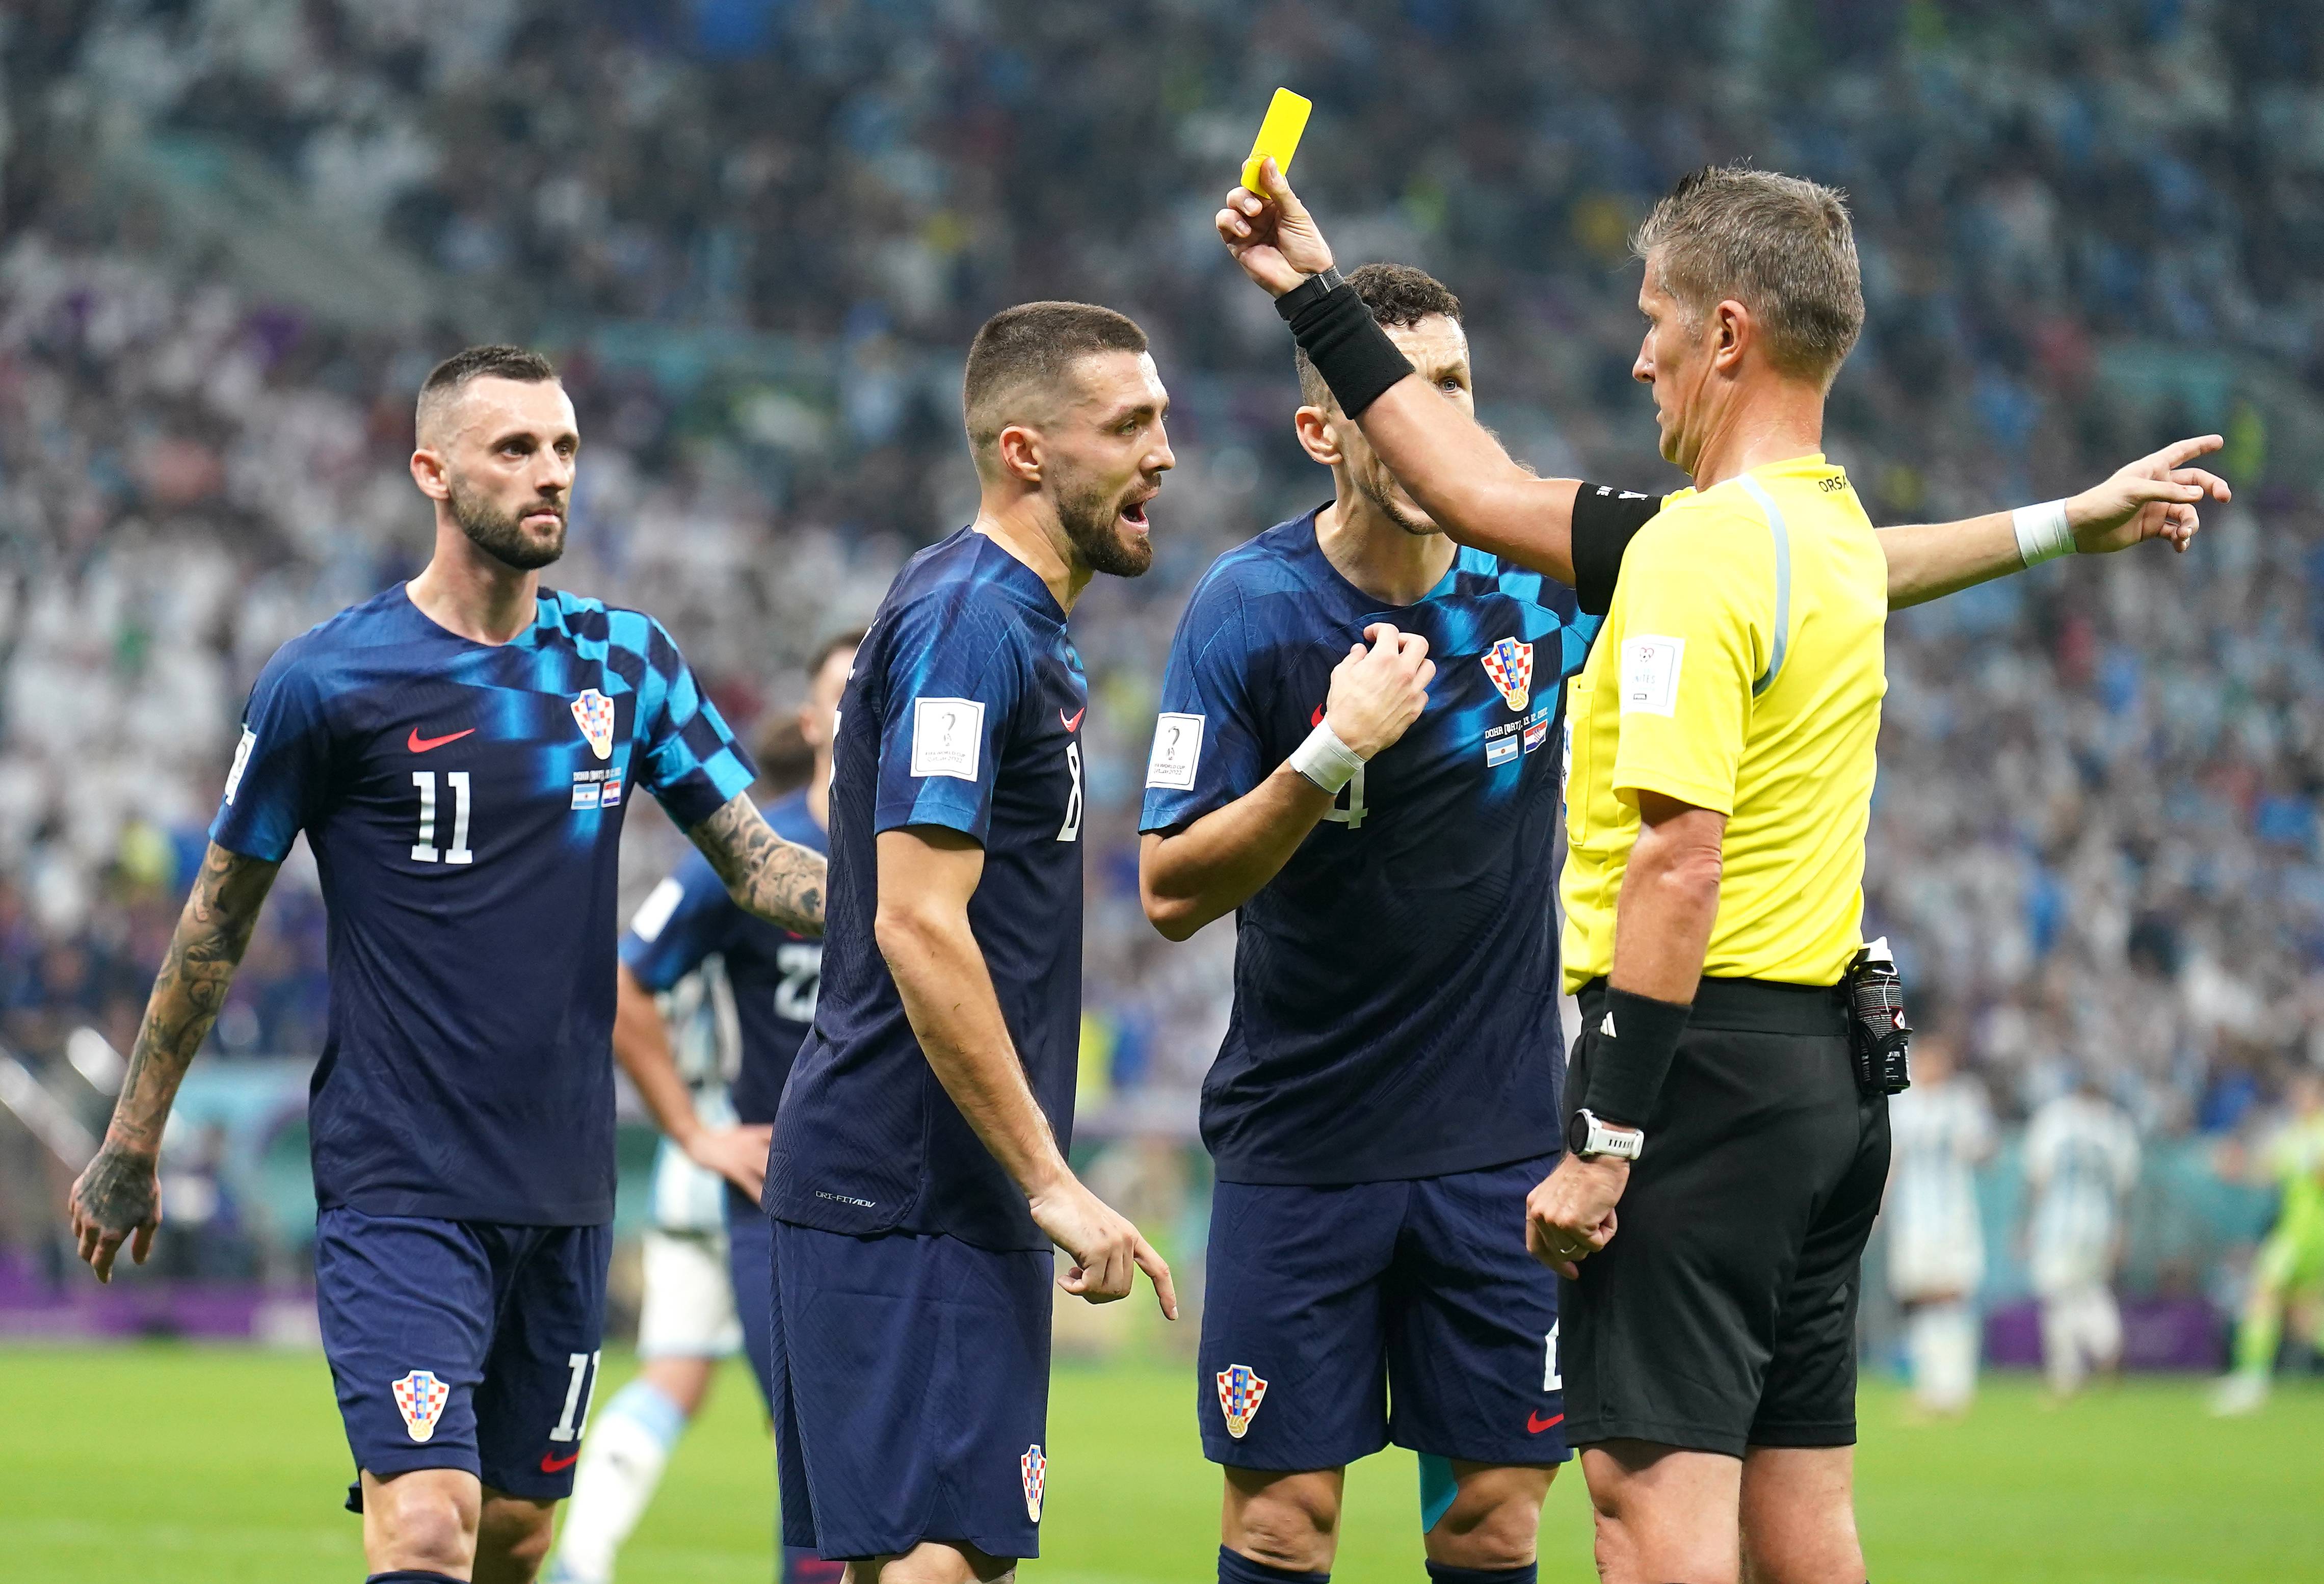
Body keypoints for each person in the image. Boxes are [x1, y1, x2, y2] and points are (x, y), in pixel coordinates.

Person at [1212, 162, 2227, 1584]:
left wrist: (1608, 1139)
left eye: (1658, 322)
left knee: (1648, 1518)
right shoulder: (1820, 531)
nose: (1639, 356)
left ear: (1730, 337)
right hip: (1829, 1079)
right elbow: (1470, 481)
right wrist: (2069, 520)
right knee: (1803, 1528)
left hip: (1697, 1081)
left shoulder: (1696, 551)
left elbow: (1679, 862)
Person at [65, 345, 828, 1584]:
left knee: (519, 1536)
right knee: (426, 1524)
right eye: (515, 449)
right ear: (432, 470)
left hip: (565, 1186)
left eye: (566, 449)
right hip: (399, 1180)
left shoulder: (624, 664)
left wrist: (905, 908)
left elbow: (756, 863)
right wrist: (134, 1138)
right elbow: (216, 920)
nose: (551, 476)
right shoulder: (329, 681)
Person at [763, 302, 1178, 1584]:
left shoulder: (1027, 629)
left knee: (956, 1561)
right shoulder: (970, 621)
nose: (1163, 453)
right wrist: (1051, 1177)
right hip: (902, 1185)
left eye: (1160, 418)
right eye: (1128, 424)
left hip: (956, 1185)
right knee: (938, 1563)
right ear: (1024, 452)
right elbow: (914, 919)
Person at [546, 633, 860, 1584]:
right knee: (826, 1446)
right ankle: (580, 1560)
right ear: (811, 722)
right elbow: (626, 981)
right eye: (842, 691)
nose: (859, 706)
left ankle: (583, 1559)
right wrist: (693, 1129)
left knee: (870, 1459)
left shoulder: (931, 849)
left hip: (899, 1186)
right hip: (776, 1188)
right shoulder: (757, 850)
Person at [1881, 1027, 1995, 1418]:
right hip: (1913, 1219)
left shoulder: (1964, 1101)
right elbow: (1890, 1162)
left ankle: (1957, 1387)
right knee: (1920, 1298)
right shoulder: (1902, 1104)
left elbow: (1984, 1152)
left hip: (1954, 1217)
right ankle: (1932, 1388)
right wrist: (1879, 1207)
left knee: (1953, 1295)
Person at [2023, 1068, 2142, 1401]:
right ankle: (2107, 1343)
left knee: (2058, 1298)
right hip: (2098, 1226)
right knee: (2090, 1291)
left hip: (2058, 1225)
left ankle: (2068, 1374)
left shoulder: (2054, 1119)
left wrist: (2028, 1225)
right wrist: (2120, 1233)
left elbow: (2039, 1178)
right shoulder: (2117, 1126)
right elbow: (2124, 1190)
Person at [2213, 1065, 2324, 1414]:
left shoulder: (2318, 1134)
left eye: (2305, 1093)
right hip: (2298, 1233)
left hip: (2304, 1235)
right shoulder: (2295, 1135)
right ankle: (2251, 1379)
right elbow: (2268, 1172)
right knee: (2307, 1315)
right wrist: (2238, 1170)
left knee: (2262, 1295)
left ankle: (2252, 1381)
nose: (2298, 1099)